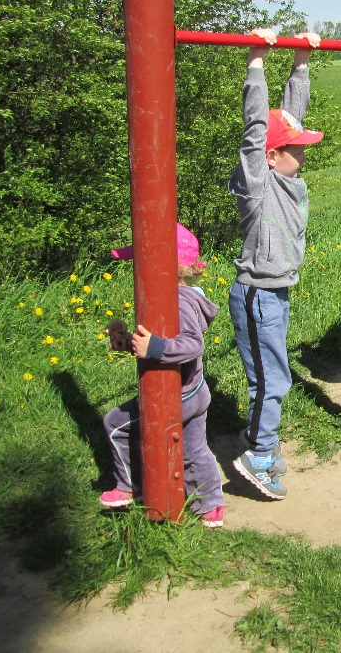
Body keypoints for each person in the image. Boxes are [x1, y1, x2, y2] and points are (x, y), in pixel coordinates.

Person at [228, 27, 322, 500]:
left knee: (268, 375)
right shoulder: (257, 184)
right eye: (297, 148)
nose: (304, 152)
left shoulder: (285, 177)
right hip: (258, 294)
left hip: (276, 292)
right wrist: (255, 62)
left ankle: (257, 437)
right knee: (273, 378)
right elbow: (256, 132)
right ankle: (259, 454)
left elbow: (290, 119)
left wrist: (301, 62)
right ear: (270, 156)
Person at [100, 223, 224, 528]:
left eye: (140, 263)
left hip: (177, 395)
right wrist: (128, 341)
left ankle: (132, 486)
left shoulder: (177, 300)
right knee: (194, 450)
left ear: (163, 267)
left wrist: (154, 348)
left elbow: (192, 344)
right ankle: (211, 505)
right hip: (195, 389)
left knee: (116, 425)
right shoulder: (177, 296)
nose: (135, 270)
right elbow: (159, 338)